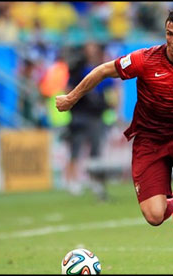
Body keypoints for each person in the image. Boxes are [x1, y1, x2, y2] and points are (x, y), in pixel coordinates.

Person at [56, 8, 173, 274]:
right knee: (155, 216)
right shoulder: (145, 59)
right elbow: (103, 70)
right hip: (149, 141)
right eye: (170, 34)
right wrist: (71, 98)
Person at [63, 42, 116, 200]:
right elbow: (68, 89)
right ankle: (72, 181)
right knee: (76, 148)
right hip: (80, 115)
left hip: (95, 115)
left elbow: (111, 90)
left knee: (95, 150)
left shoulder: (101, 69)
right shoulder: (78, 70)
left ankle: (95, 182)